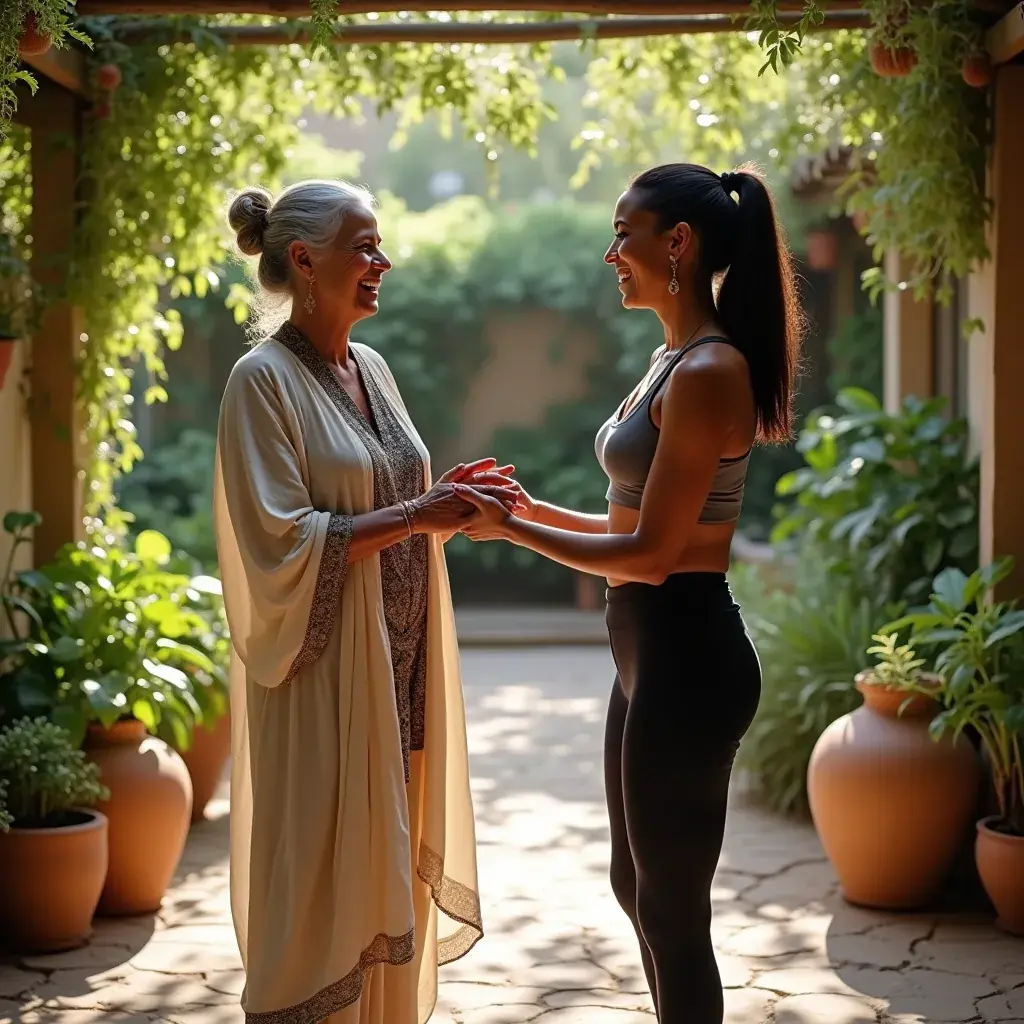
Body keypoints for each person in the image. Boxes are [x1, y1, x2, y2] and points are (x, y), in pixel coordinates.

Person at [455, 162, 803, 1024]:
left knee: (674, 912)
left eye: (625, 232)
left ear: (676, 243)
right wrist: (529, 505)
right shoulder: (669, 360)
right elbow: (635, 527)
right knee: (635, 886)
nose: (612, 251)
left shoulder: (709, 370)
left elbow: (651, 556)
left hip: (688, 651)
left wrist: (512, 532)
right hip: (648, 655)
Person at [213, 179, 520, 1024]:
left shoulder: (372, 370)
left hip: (399, 672)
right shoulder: (261, 382)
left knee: (384, 861)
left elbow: (387, 490)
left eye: (381, 245)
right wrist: (416, 513)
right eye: (365, 246)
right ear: (306, 260)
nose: (382, 262)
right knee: (318, 886)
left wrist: (442, 496)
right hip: (323, 680)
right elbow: (279, 537)